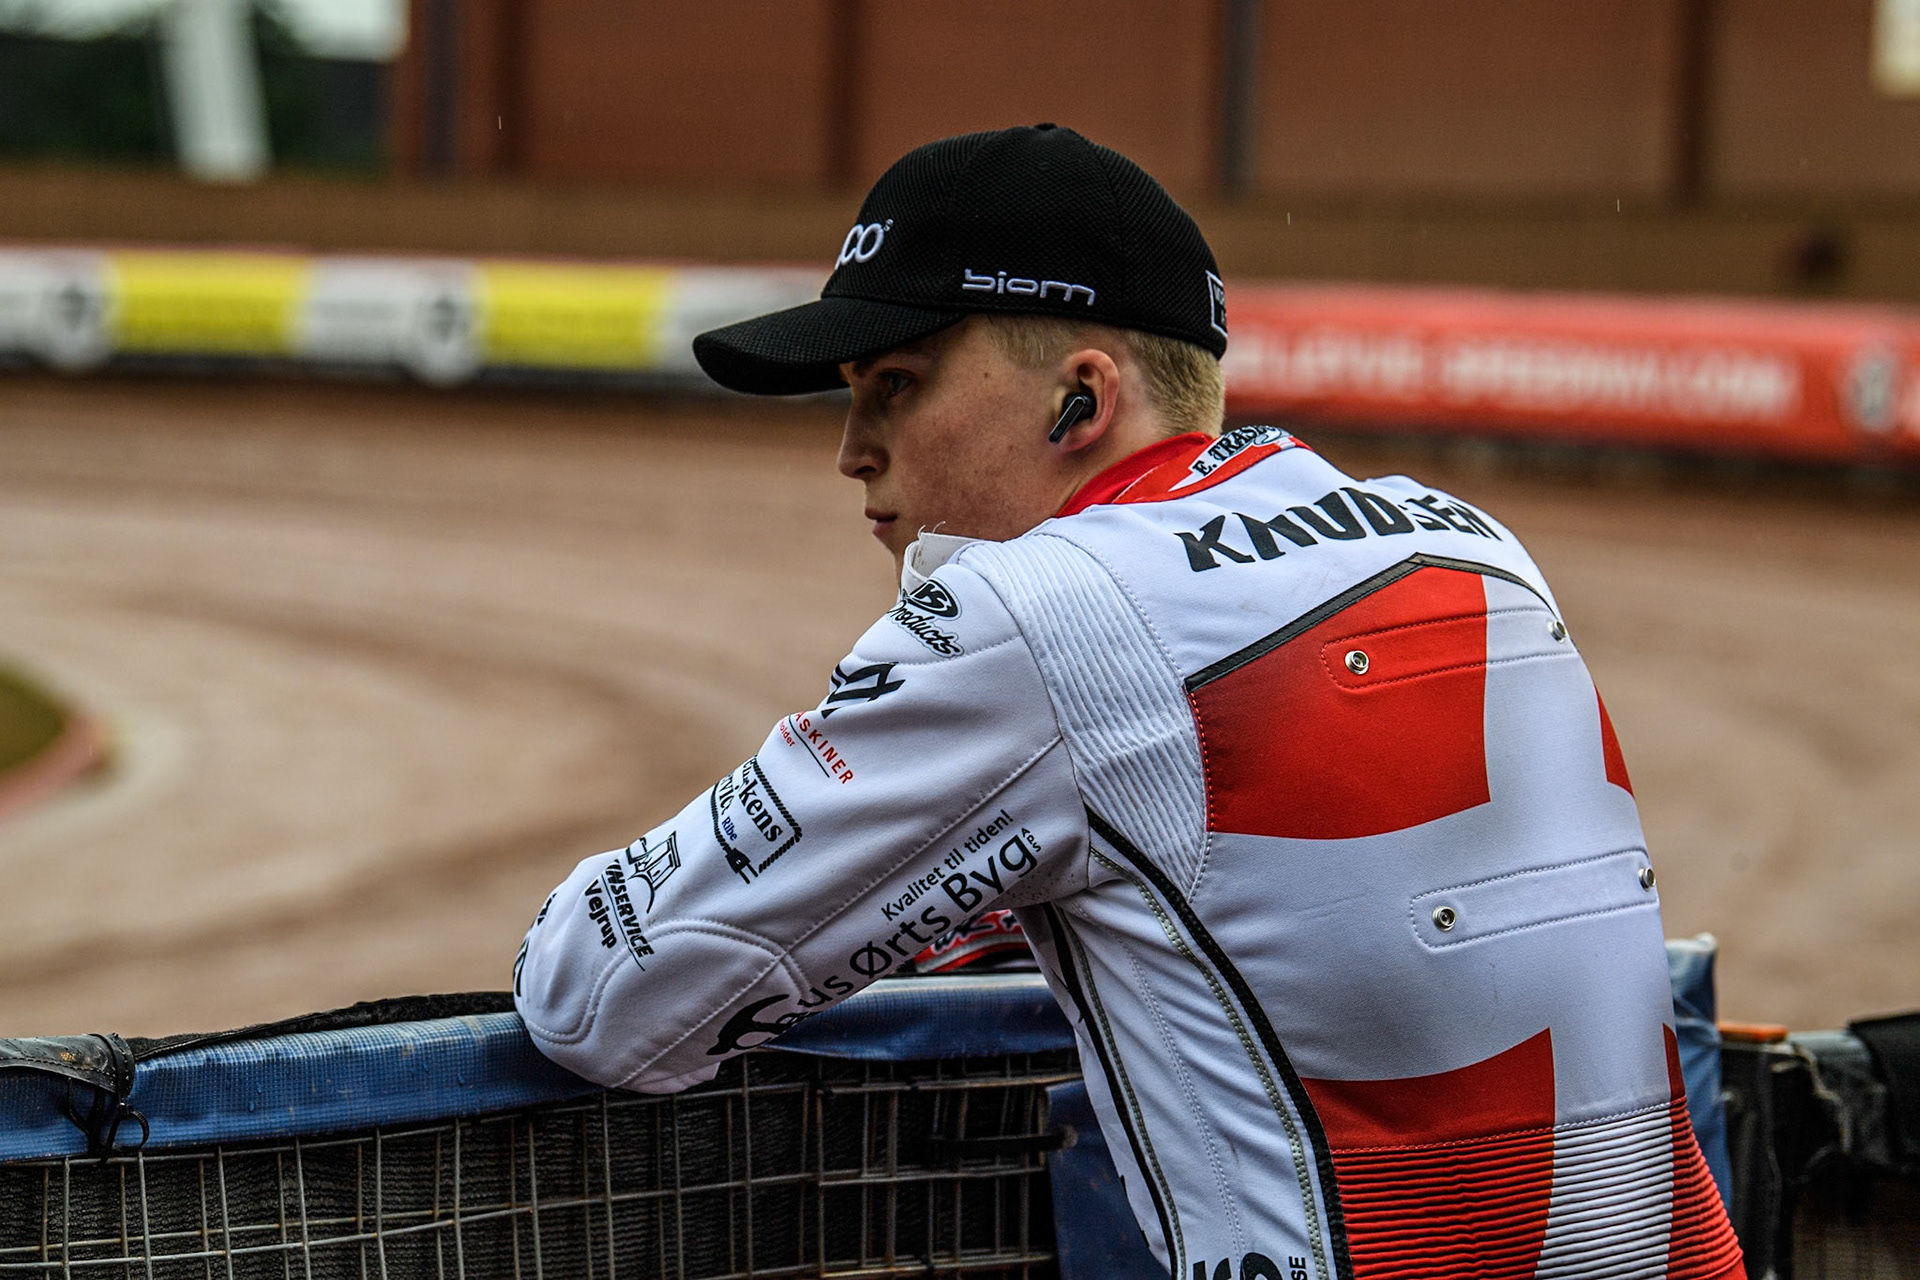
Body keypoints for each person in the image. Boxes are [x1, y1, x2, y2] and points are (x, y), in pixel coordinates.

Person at [513, 124, 1744, 1280]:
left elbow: (608, 996)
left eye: (894, 384)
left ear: (1082, 400)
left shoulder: (1043, 611)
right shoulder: (1471, 539)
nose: (852, 449)